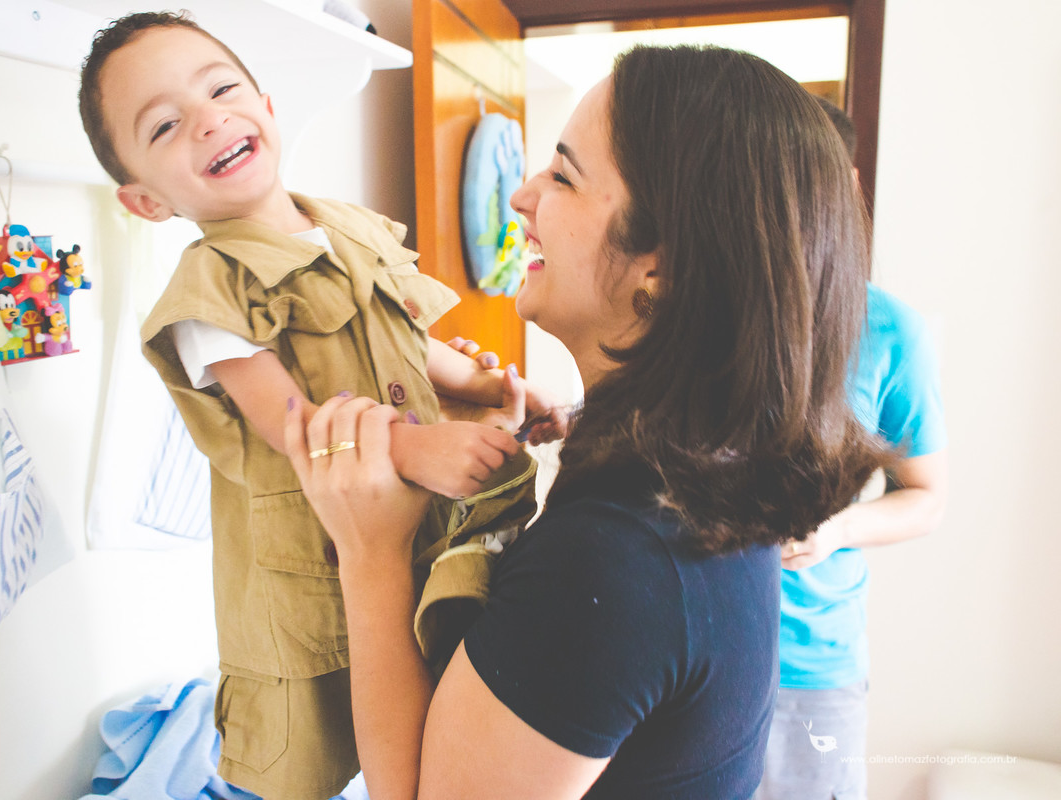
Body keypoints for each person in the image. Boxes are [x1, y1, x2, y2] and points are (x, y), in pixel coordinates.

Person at [282, 44, 895, 799]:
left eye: (563, 176)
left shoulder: (617, 557)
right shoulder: (715, 474)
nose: (523, 197)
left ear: (660, 269)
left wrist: (369, 549)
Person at [77, 12, 564, 799]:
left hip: (414, 527)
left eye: (222, 89)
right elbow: (293, 424)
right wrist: (416, 451)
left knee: (432, 691)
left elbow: (410, 338)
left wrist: (488, 387)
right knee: (320, 745)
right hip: (317, 560)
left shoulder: (349, 231)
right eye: (166, 126)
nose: (209, 120)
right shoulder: (209, 295)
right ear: (145, 201)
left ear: (267, 107)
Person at [756, 97, 949, 800]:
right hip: (699, 654)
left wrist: (836, 528)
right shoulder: (704, 312)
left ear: (848, 190)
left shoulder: (894, 332)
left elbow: (925, 497)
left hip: (813, 670)